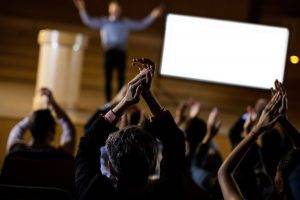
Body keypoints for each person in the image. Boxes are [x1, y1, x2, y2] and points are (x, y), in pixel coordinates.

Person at [75, 58, 208, 200]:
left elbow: (86, 147)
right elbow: (176, 142)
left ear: (110, 167)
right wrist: (147, 95)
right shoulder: (167, 194)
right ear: (152, 167)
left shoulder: (93, 193)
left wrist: (125, 101)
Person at [218, 80, 300, 200]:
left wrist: (254, 128)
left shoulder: (260, 149)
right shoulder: (276, 151)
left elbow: (223, 173)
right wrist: (282, 120)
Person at [73, 0, 163, 102]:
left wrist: (153, 15)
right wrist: (82, 9)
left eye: (117, 9)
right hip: (109, 52)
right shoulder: (104, 22)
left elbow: (141, 25)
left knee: (121, 79)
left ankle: (120, 101)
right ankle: (108, 102)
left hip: (121, 53)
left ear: (120, 10)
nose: (115, 11)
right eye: (113, 9)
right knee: (108, 79)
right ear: (110, 10)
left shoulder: (125, 23)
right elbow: (89, 21)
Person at [6, 88, 76, 155]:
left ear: (31, 128)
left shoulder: (17, 152)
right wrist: (54, 105)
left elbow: (18, 129)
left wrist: (34, 117)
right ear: (51, 133)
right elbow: (69, 129)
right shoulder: (60, 156)